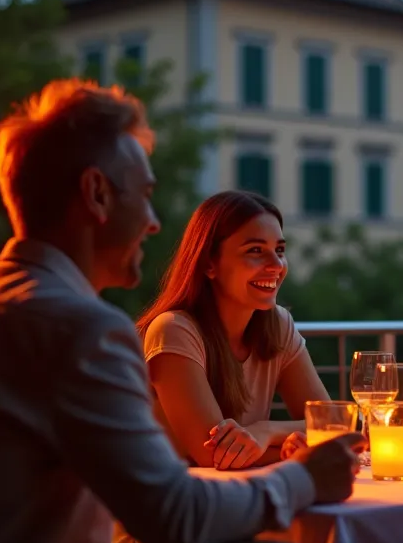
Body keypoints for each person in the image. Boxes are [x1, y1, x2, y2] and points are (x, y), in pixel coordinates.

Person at [0, 78, 364, 543]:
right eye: (146, 195)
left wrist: (266, 442)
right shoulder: (81, 331)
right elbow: (179, 520)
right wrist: (303, 478)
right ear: (97, 194)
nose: (154, 223)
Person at [135, 190, 327, 471]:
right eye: (255, 251)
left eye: (280, 250)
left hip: (244, 496)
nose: (276, 265)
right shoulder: (174, 331)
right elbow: (214, 457)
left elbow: (331, 426)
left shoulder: (278, 325)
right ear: (209, 264)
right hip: (178, 505)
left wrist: (265, 432)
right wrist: (294, 454)